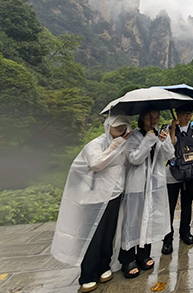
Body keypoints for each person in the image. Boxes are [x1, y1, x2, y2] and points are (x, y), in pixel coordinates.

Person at [52, 114, 132, 293]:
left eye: (124, 125)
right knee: (93, 236)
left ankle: (104, 266)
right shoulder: (96, 144)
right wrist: (117, 144)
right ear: (108, 126)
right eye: (117, 126)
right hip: (95, 198)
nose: (121, 129)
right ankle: (88, 275)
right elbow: (97, 164)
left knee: (108, 234)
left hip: (114, 195)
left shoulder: (123, 143)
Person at [119, 107, 174, 278]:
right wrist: (148, 140)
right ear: (142, 118)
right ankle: (128, 258)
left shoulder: (160, 133)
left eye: (156, 117)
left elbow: (169, 155)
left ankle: (143, 255)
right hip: (137, 185)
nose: (154, 121)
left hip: (155, 184)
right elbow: (134, 158)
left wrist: (164, 141)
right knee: (132, 220)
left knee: (149, 218)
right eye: (151, 118)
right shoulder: (134, 136)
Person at [162, 104, 193, 255]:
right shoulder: (167, 128)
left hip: (191, 172)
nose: (188, 117)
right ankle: (167, 238)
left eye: (190, 114)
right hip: (173, 173)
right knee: (170, 206)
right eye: (184, 114)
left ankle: (185, 232)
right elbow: (169, 146)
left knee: (187, 203)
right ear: (177, 114)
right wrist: (173, 129)